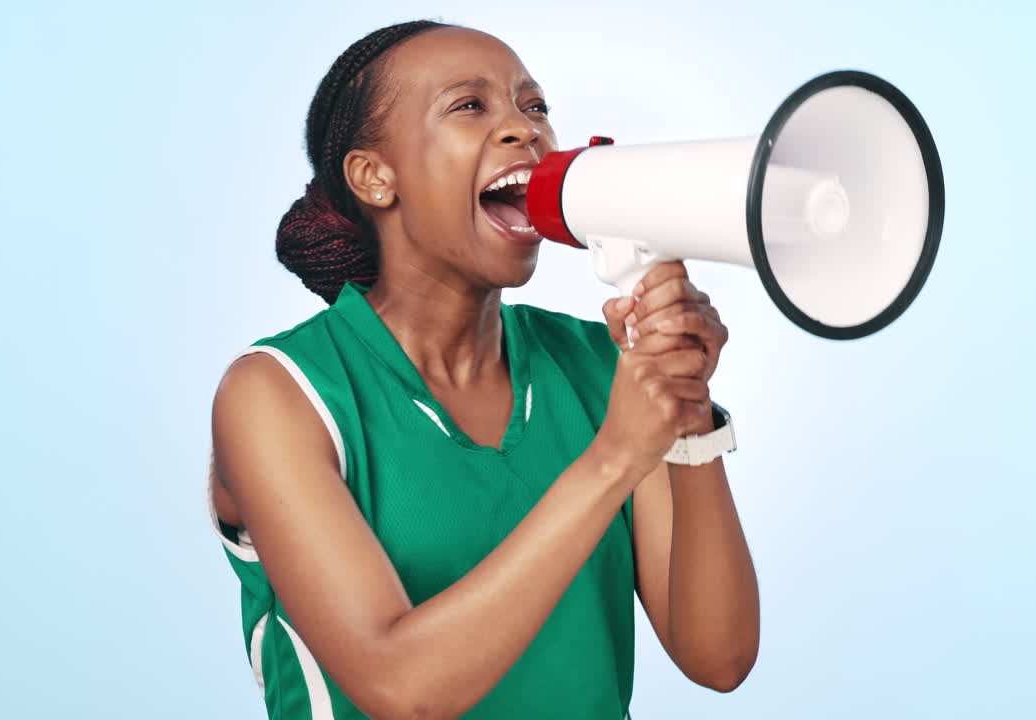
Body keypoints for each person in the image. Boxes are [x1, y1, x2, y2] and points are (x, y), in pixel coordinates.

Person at [206, 19, 760, 720]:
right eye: (471, 106)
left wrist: (690, 419)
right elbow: (398, 688)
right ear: (375, 177)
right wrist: (616, 455)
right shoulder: (278, 392)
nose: (523, 130)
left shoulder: (599, 366)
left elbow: (719, 657)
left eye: (534, 107)